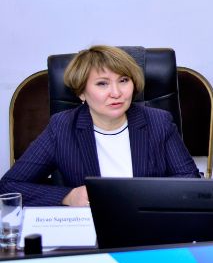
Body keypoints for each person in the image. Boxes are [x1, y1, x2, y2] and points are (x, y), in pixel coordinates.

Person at [0, 46, 199, 207]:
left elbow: (190, 181)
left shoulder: (159, 122)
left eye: (123, 80)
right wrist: (68, 196)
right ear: (81, 92)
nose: (116, 93)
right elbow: (9, 187)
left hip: (148, 224)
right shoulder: (62, 128)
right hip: (90, 227)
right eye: (102, 84)